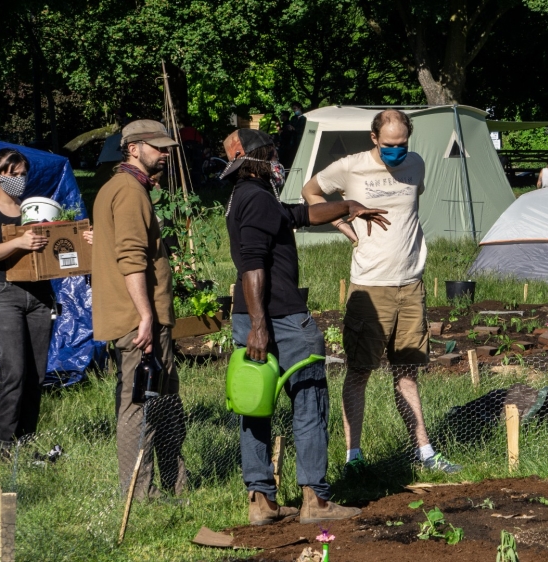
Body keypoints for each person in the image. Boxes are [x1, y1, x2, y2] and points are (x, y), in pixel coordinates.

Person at [221, 128, 389, 525]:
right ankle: (316, 500)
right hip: (279, 319)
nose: (277, 161)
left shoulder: (246, 198)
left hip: (250, 316)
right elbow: (252, 263)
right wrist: (262, 326)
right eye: (272, 153)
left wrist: (348, 205)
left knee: (255, 404)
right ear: (256, 159)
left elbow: (298, 215)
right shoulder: (257, 199)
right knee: (310, 401)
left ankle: (260, 501)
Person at [301, 109, 462, 476]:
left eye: (402, 144)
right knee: (359, 373)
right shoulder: (350, 167)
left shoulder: (417, 165)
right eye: (389, 145)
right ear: (374, 139)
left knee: (407, 372)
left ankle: (424, 452)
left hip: (411, 284)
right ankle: (353, 459)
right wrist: (342, 223)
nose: (396, 151)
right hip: (371, 288)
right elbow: (309, 191)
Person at [92, 120, 187, 499]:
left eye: (166, 147)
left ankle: (173, 486)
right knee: (139, 406)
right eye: (158, 147)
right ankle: (139, 495)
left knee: (163, 403)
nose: (165, 153)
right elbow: (132, 259)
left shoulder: (118, 188)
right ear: (132, 148)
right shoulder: (129, 192)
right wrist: (145, 316)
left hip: (140, 316)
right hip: (139, 320)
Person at [0, 149, 53, 456]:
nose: (20, 179)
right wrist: (20, 241)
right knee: (14, 371)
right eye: (13, 174)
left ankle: (26, 442)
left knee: (36, 374)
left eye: (23, 174)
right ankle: (2, 447)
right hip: (4, 295)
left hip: (40, 296)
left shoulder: (33, 209)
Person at [280, 102, 306, 168]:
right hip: (292, 141)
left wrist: (294, 129)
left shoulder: (304, 118)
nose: (294, 110)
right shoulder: (293, 118)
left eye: (295, 108)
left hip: (300, 140)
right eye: (293, 109)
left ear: (299, 108)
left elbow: (303, 129)